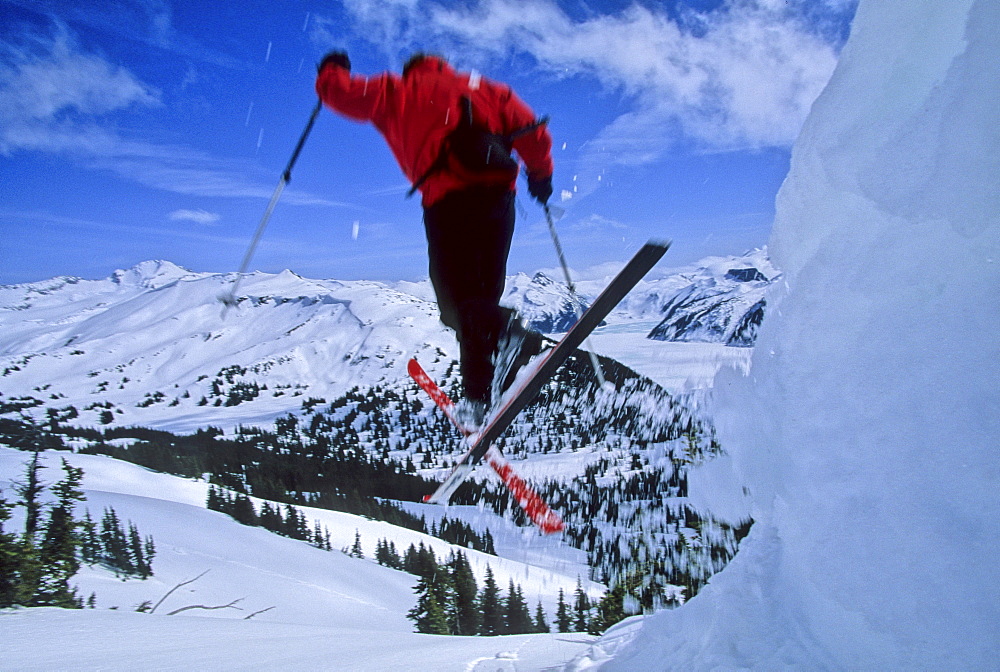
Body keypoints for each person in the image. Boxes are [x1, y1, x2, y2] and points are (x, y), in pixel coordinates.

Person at [315, 51, 553, 426]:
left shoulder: (396, 90)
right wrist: (541, 174)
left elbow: (340, 95)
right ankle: (478, 397)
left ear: (411, 69)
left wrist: (333, 70)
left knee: (456, 306)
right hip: (498, 200)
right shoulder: (486, 89)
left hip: (449, 203)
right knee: (480, 303)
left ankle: (509, 335)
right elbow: (533, 131)